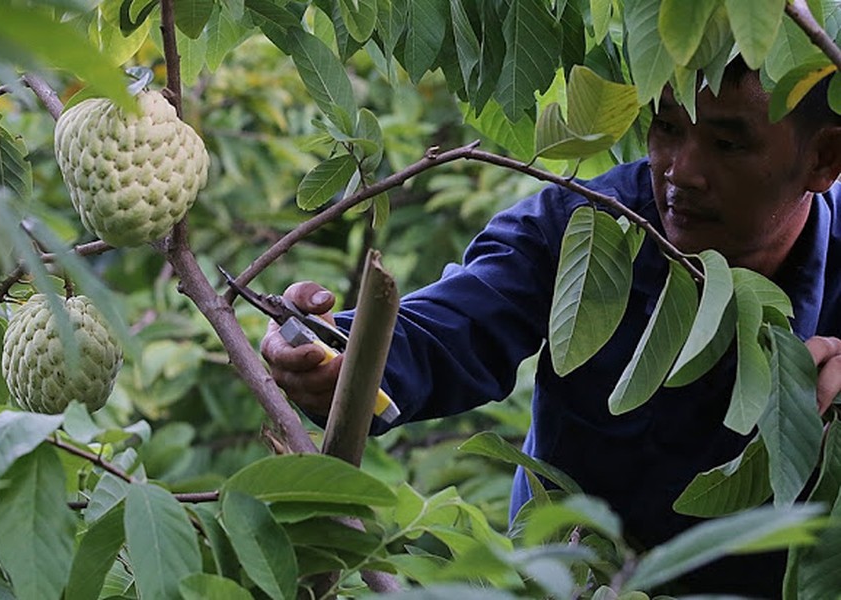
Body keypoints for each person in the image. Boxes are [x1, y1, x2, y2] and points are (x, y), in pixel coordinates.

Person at [261, 59, 841, 596]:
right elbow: (452, 324)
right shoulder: (583, 227)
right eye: (666, 127)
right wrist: (335, 353)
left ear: (823, 159)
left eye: (726, 142)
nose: (681, 171)